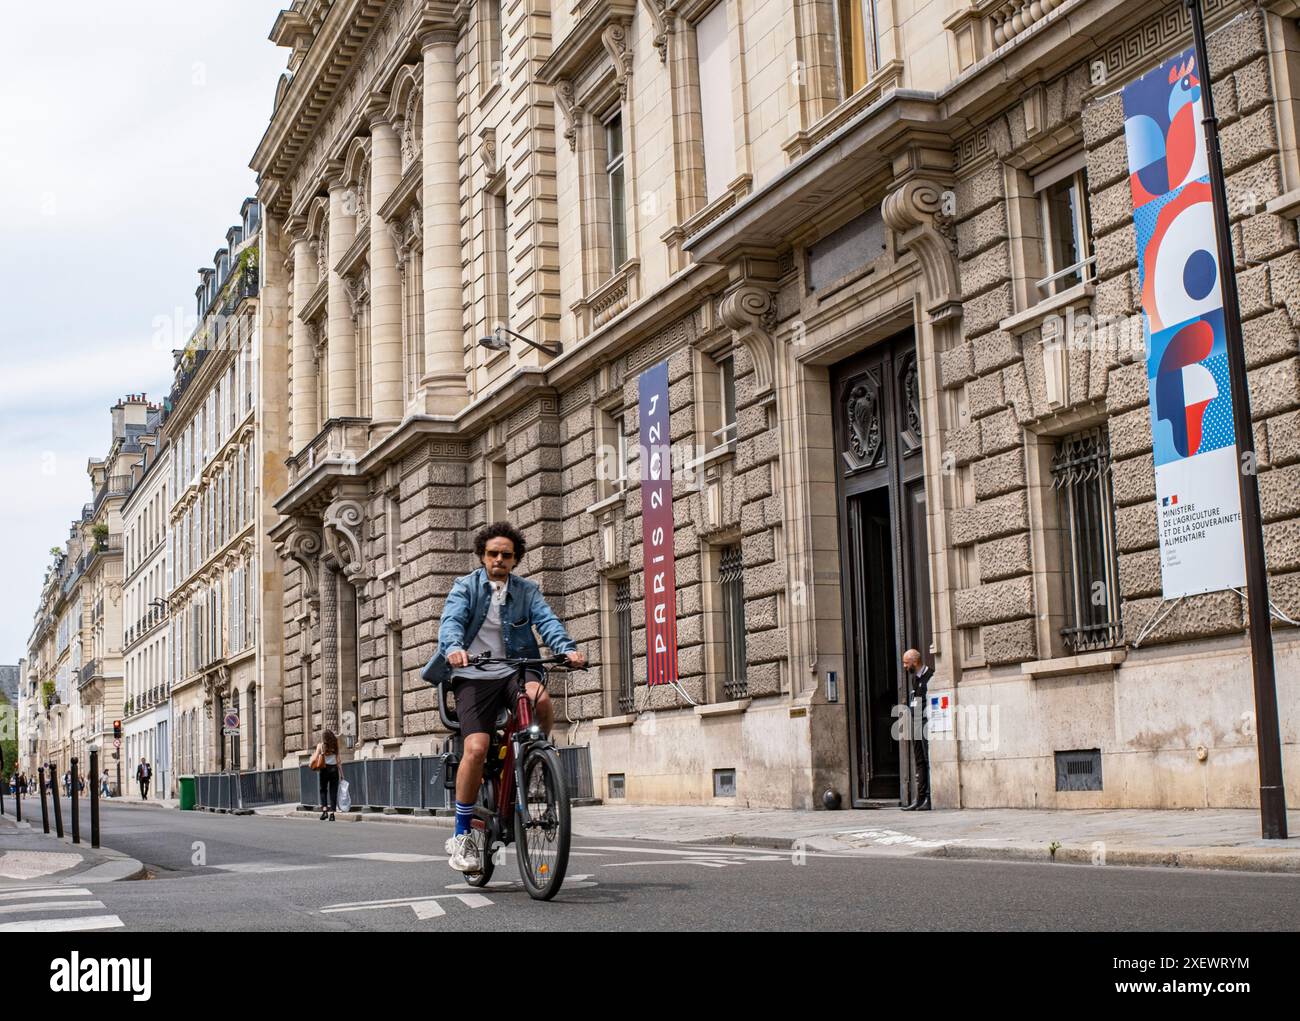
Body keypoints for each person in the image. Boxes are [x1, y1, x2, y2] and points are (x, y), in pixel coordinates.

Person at [425, 522, 585, 873]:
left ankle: (537, 756)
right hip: (474, 675)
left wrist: (567, 650)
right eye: (493, 553)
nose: (499, 559)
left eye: (506, 555)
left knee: (540, 700)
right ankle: (462, 834)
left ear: (515, 560)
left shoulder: (527, 591)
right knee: (477, 749)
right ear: (482, 556)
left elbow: (547, 623)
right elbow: (451, 622)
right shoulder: (465, 587)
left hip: (515, 667)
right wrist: (453, 649)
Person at [901, 648, 933, 811]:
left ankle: (929, 797)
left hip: (926, 725)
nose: (905, 666)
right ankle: (919, 798)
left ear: (915, 661)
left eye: (906, 663)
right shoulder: (915, 679)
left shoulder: (930, 677)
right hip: (916, 724)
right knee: (919, 760)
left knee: (927, 760)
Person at [314, 730, 341, 821]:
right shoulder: (335, 745)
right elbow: (338, 761)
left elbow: (316, 758)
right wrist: (342, 774)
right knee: (333, 791)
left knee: (323, 790)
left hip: (324, 770)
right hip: (334, 770)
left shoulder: (320, 746)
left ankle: (325, 811)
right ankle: (332, 814)